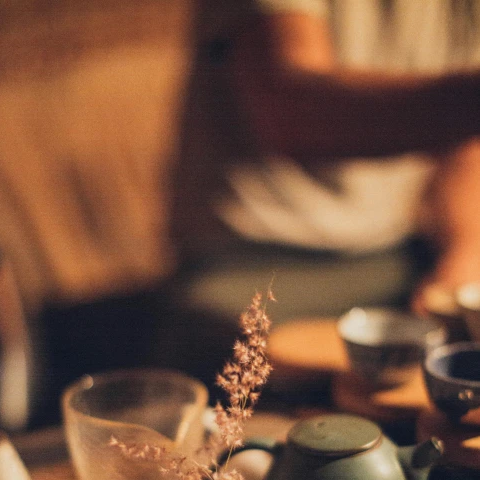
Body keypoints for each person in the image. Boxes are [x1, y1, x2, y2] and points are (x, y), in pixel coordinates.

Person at [169, 0, 480, 352]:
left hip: (394, 252)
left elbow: (465, 147)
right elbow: (289, 110)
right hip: (248, 262)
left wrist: (465, 252)